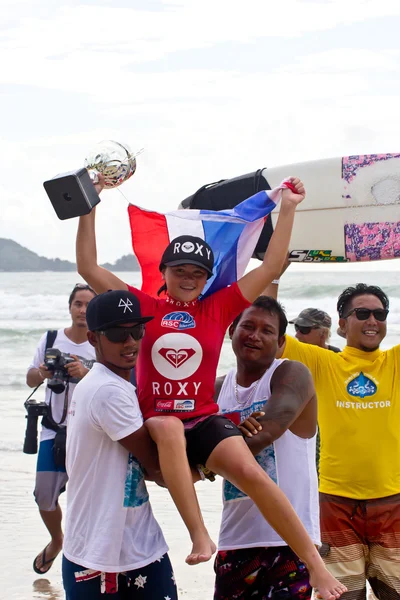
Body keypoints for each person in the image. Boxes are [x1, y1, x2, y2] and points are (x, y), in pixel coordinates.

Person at [76, 175, 346, 599]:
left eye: (197, 273)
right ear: (163, 272)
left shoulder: (218, 307)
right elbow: (88, 269)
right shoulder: (147, 307)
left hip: (202, 418)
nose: (188, 278)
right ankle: (200, 535)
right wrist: (88, 207)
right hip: (158, 421)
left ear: (208, 278)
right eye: (179, 270)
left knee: (252, 474)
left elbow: (272, 267)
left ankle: (317, 567)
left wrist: (288, 208)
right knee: (165, 426)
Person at [277, 283, 400, 600]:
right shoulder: (324, 363)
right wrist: (273, 270)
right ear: (342, 324)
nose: (372, 320)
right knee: (344, 597)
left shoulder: (396, 363)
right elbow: (268, 333)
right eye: (362, 313)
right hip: (335, 505)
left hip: (393, 505)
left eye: (380, 314)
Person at [62, 289, 178, 600]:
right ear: (93, 338)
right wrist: (218, 457)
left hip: (133, 544)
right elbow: (158, 467)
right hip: (101, 556)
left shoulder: (113, 384)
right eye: (117, 333)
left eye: (137, 331)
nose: (130, 343)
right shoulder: (108, 391)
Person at [214, 296, 320, 600]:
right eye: (247, 326)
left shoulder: (290, 374)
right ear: (231, 330)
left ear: (281, 342)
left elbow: (267, 431)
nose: (254, 335)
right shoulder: (218, 388)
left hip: (291, 542)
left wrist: (213, 451)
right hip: (235, 539)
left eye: (266, 331)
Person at [26, 283, 96, 575]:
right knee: (44, 495)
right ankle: (58, 540)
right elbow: (31, 380)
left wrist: (86, 372)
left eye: (89, 305)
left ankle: (87, 555)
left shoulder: (101, 341)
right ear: (69, 307)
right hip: (54, 428)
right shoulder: (52, 338)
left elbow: (123, 384)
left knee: (89, 497)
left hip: (90, 431)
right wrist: (44, 370)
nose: (82, 310)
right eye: (78, 304)